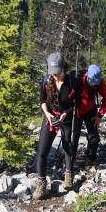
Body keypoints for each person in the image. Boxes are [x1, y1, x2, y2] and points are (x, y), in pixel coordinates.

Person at [32, 52, 82, 200]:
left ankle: (68, 173)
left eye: (58, 73)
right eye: (53, 73)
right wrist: (48, 114)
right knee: (42, 150)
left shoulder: (74, 82)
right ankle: (41, 183)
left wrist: (66, 114)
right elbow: (42, 100)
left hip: (66, 117)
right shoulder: (46, 80)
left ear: (64, 68)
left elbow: (76, 104)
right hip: (50, 116)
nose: (55, 76)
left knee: (68, 146)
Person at [76, 64, 106, 165]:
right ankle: (70, 160)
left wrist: (99, 116)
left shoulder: (100, 82)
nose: (93, 84)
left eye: (96, 82)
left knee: (94, 137)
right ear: (87, 75)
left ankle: (90, 158)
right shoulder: (78, 79)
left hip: (90, 110)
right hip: (76, 111)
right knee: (74, 136)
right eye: (91, 81)